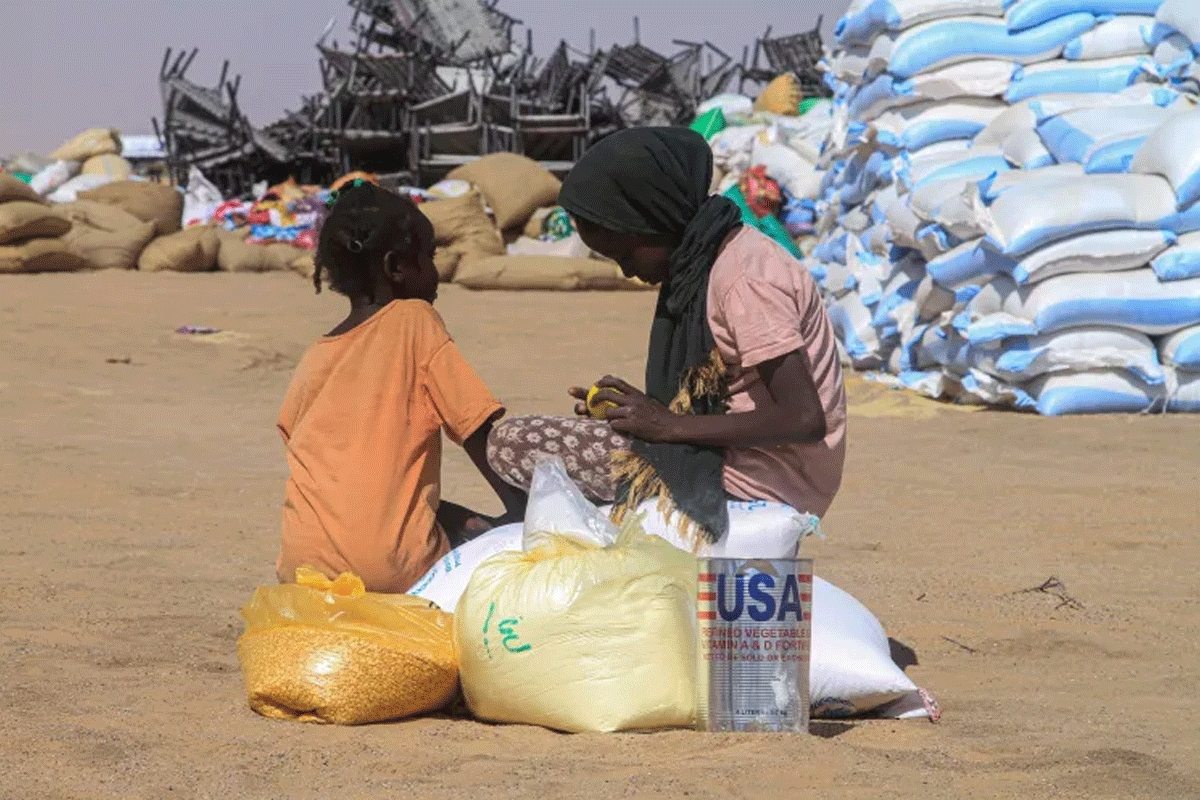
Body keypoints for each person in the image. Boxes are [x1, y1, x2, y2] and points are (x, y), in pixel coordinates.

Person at [486, 127, 846, 544]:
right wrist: (637, 416)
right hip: (732, 457)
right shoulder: (711, 256)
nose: (625, 270)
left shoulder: (744, 279)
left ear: (657, 219)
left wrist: (669, 425)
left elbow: (802, 418)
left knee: (513, 443)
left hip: (760, 480)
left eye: (626, 253)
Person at [276, 181, 525, 593]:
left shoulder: (315, 355)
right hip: (389, 569)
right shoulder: (414, 320)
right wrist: (522, 512)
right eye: (427, 258)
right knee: (486, 540)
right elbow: (474, 428)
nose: (435, 272)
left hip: (302, 568)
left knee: (437, 513)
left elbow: (296, 440)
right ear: (396, 268)